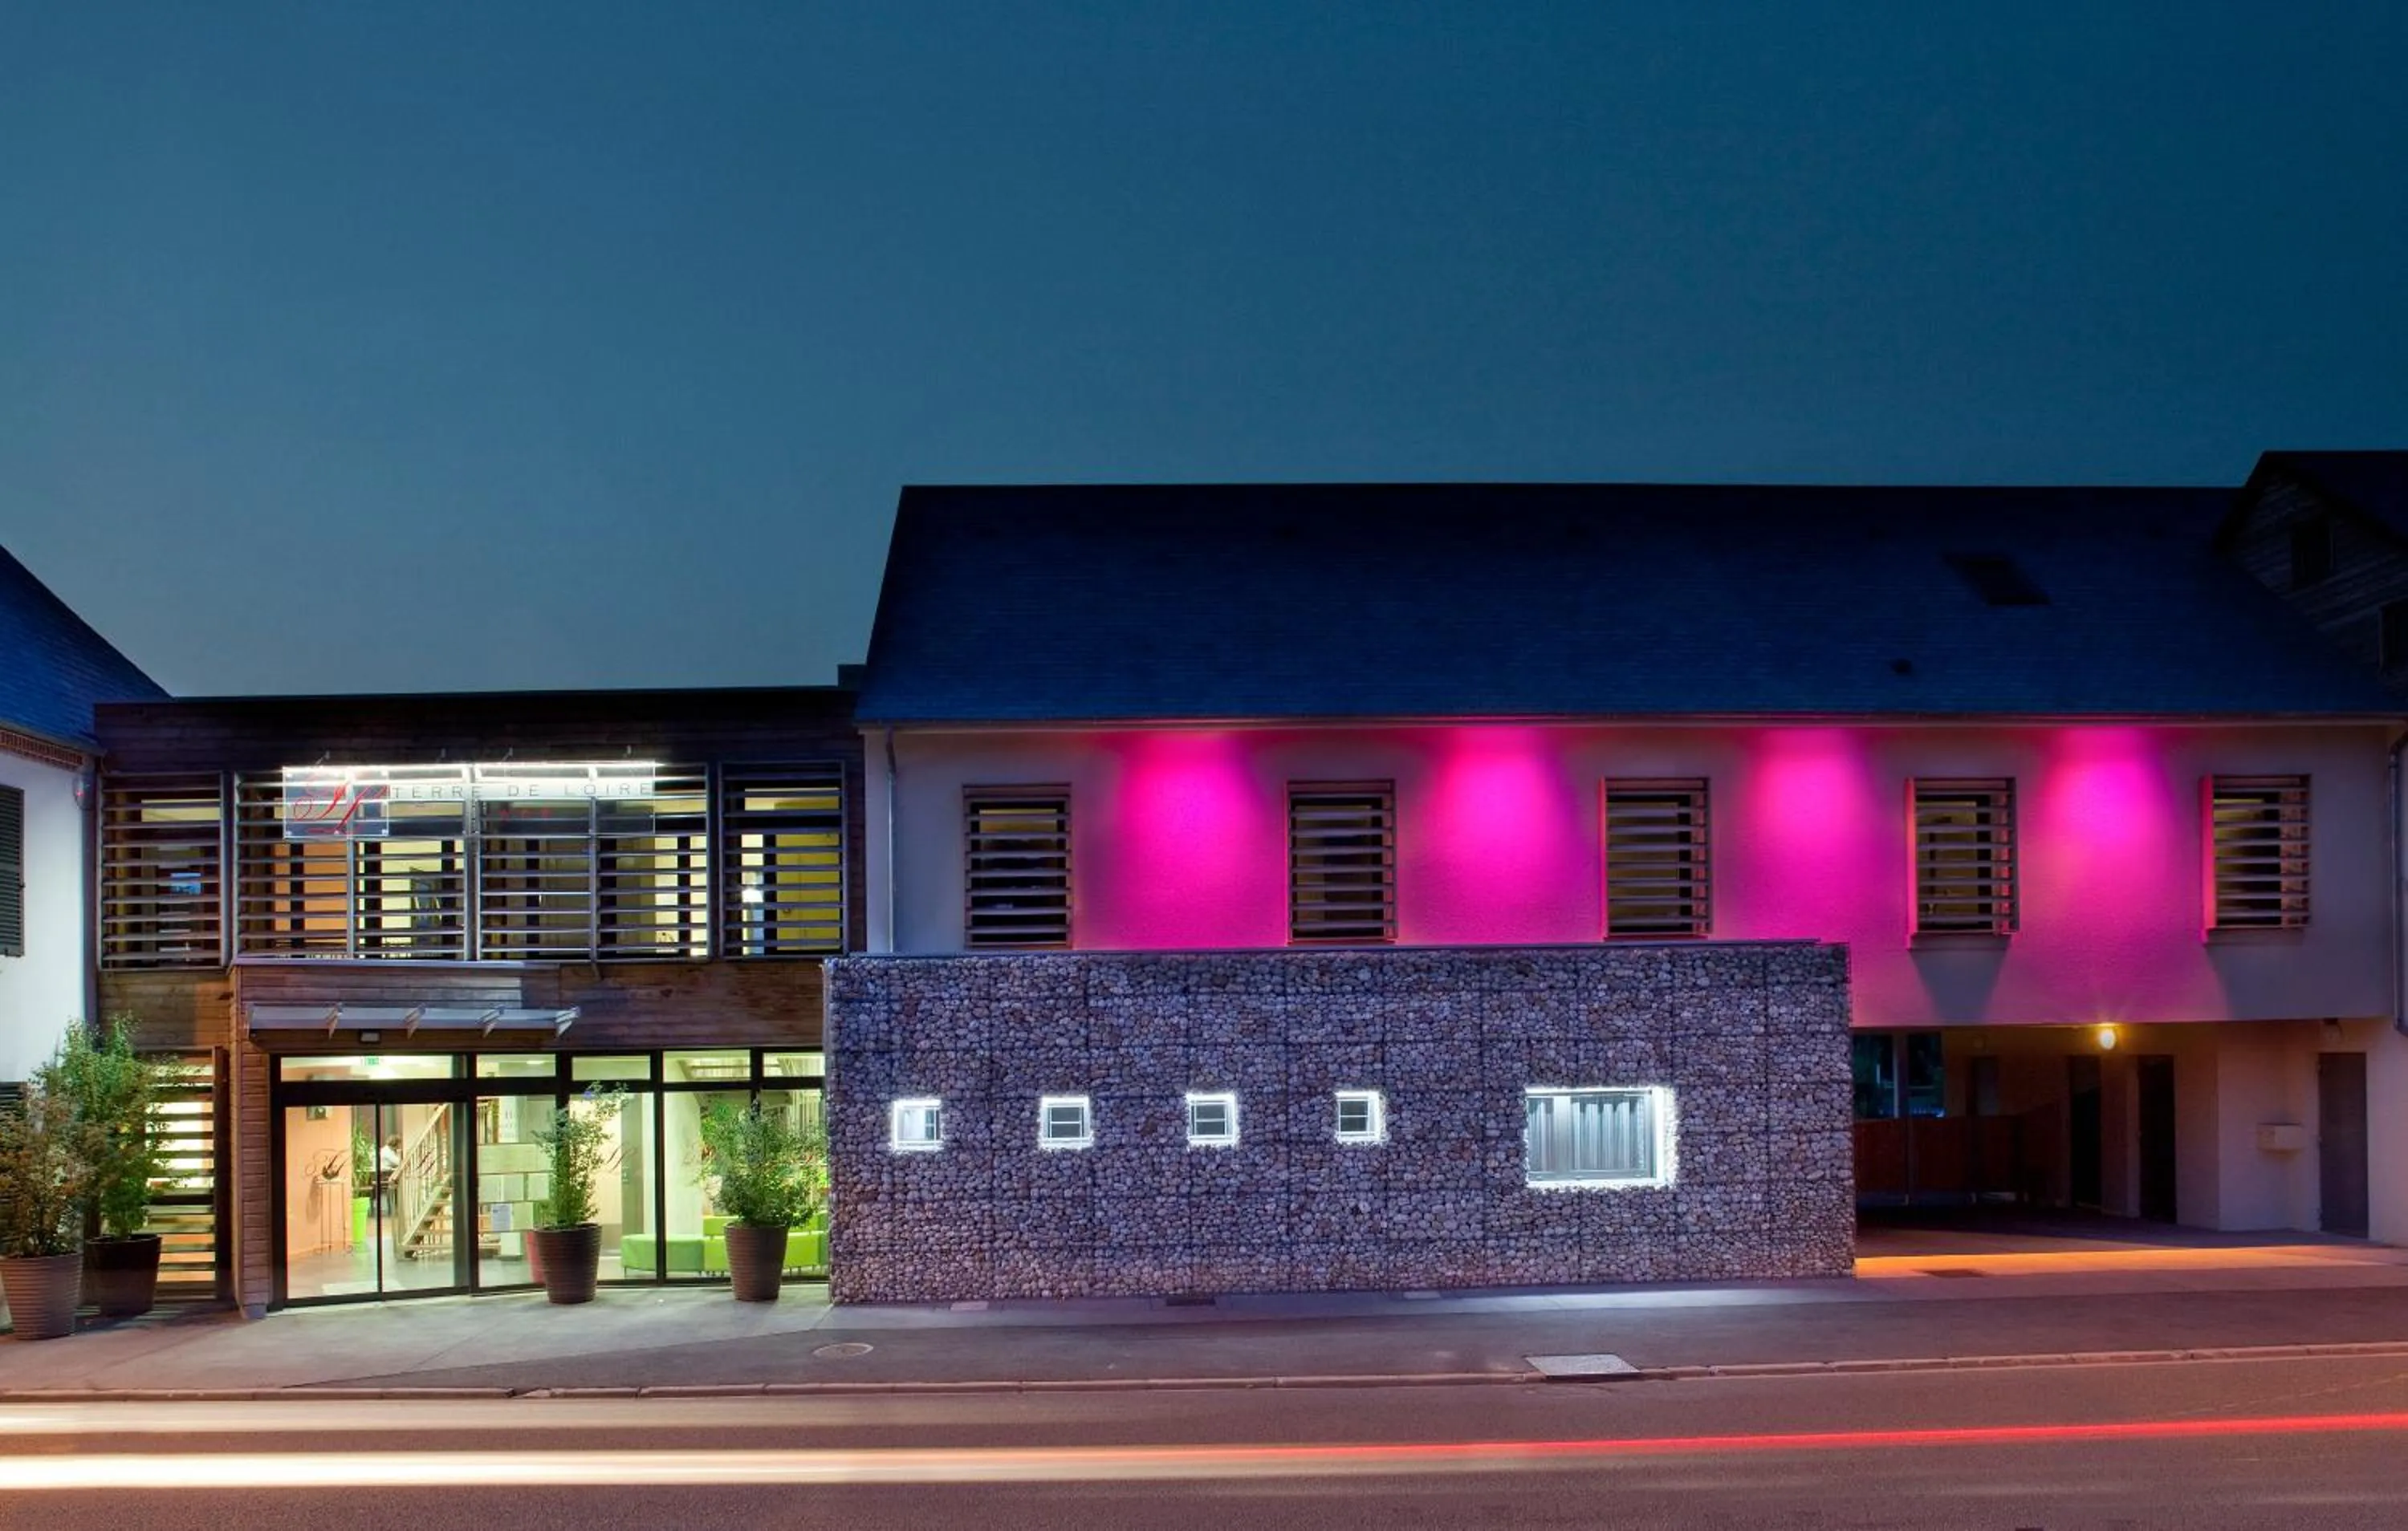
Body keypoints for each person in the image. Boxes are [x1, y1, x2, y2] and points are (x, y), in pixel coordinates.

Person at [377, 1135, 403, 1214]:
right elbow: (398, 1162)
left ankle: (396, 1205)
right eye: (399, 1144)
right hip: (384, 1174)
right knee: (399, 1183)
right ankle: (397, 1206)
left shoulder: (387, 1150)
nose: (400, 1146)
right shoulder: (387, 1152)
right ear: (395, 1144)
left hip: (386, 1173)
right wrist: (399, 1153)